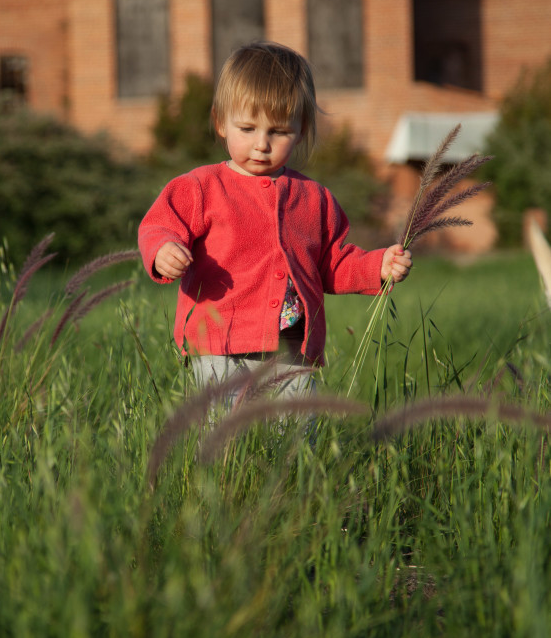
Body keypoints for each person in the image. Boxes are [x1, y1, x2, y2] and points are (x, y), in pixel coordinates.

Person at [138, 41, 412, 407]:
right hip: (219, 344)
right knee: (225, 439)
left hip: (292, 348)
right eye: (247, 128)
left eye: (278, 132)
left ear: (301, 129)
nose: (261, 144)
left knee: (294, 440)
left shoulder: (314, 198)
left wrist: (376, 267)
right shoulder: (201, 186)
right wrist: (163, 251)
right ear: (221, 121)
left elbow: (333, 264)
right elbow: (158, 226)